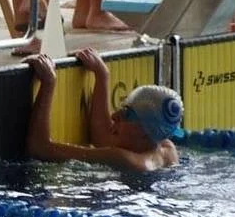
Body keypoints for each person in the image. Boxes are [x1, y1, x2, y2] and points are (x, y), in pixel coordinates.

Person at [24, 50, 181, 173]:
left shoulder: (126, 160)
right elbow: (103, 137)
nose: (115, 116)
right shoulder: (167, 149)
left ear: (144, 132)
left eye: (126, 114)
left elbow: (40, 148)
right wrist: (102, 74)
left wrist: (49, 83)